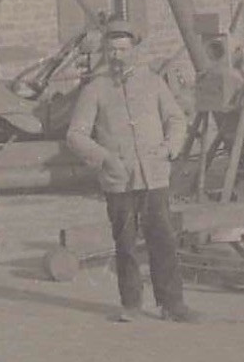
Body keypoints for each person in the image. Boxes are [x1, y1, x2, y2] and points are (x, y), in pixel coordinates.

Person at [65, 19, 195, 323]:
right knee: (125, 245)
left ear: (134, 50)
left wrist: (168, 149)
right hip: (118, 182)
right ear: (104, 53)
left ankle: (172, 305)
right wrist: (106, 158)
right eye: (111, 50)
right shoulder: (95, 89)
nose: (117, 55)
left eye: (123, 49)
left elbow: (177, 120)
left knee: (163, 240)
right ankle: (131, 305)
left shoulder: (152, 83)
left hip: (154, 177)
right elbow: (75, 134)